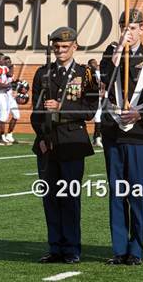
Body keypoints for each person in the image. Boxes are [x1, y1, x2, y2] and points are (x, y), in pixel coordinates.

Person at [99, 8, 143, 266]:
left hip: (139, 134)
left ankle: (136, 249)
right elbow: (104, 83)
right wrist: (116, 56)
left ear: (141, 29)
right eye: (123, 27)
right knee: (117, 193)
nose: (127, 32)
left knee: (136, 193)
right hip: (113, 133)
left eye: (132, 27)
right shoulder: (111, 54)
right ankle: (119, 249)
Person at [31, 26, 98, 264]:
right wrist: (41, 137)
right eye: (57, 47)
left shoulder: (86, 74)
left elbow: (90, 111)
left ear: (75, 47)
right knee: (50, 198)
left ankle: (71, 248)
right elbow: (36, 112)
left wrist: (62, 109)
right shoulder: (42, 74)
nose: (60, 50)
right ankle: (55, 247)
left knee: (69, 198)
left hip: (72, 142)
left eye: (65, 47)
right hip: (47, 145)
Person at [3, 56, 20, 144]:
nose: (9, 64)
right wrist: (11, 67)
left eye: (9, 62)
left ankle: (9, 135)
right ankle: (1, 136)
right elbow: (8, 75)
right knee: (4, 117)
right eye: (7, 62)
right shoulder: (4, 70)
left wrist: (16, 89)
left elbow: (12, 82)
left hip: (10, 95)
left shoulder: (11, 71)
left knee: (16, 115)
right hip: (4, 95)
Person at [88, 58, 104, 148]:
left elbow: (102, 84)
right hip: (93, 97)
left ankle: (97, 138)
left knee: (98, 116)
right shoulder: (90, 73)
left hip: (97, 97)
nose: (95, 65)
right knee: (97, 116)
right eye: (93, 64)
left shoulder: (97, 73)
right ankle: (96, 138)